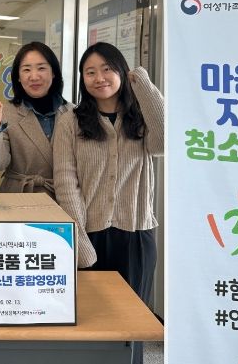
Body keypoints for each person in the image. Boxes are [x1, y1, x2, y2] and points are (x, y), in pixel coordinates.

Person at [53, 42, 163, 364]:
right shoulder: (70, 121)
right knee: (91, 325)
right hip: (91, 235)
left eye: (107, 69)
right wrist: (80, 242)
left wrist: (142, 82)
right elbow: (66, 183)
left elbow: (164, 143)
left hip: (136, 234)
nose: (99, 78)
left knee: (132, 327)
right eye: (90, 72)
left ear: (122, 72)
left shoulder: (140, 116)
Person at [0, 41, 72, 199]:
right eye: (26, 69)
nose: (34, 76)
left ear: (54, 73)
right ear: (18, 77)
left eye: (41, 68)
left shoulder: (73, 113)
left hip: (64, 197)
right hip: (18, 197)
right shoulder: (5, 113)